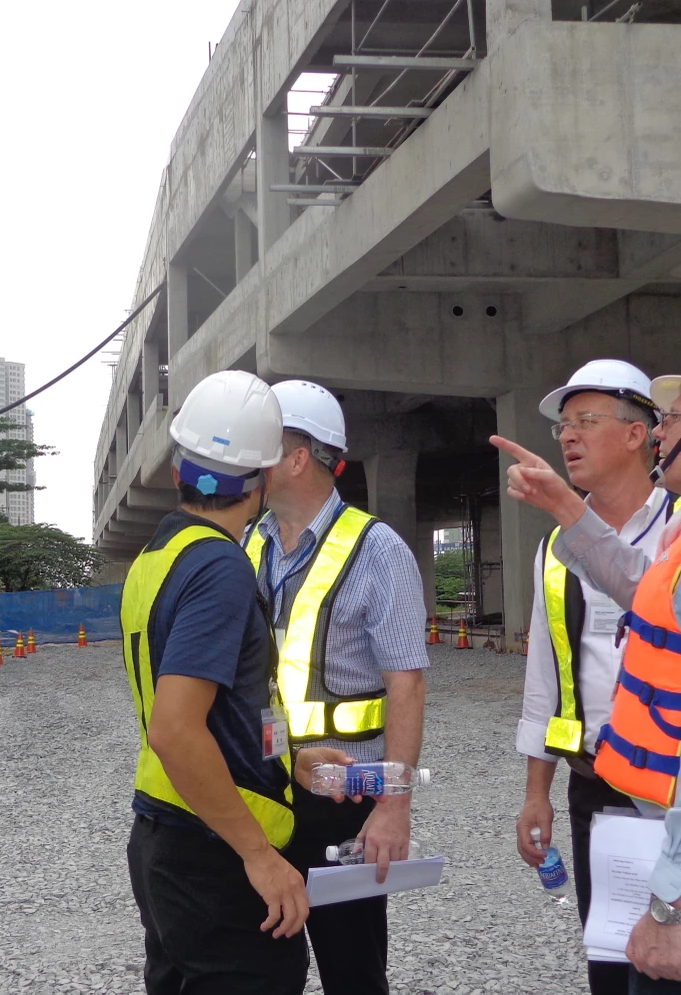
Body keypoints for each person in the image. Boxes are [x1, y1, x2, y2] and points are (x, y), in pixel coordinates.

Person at [493, 347, 681, 992]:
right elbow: (646, 591)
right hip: (633, 795)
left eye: (674, 418)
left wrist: (672, 902)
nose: (662, 431)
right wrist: (567, 510)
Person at [122, 370, 361, 995]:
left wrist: (289, 760)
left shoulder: (156, 558)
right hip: (215, 852)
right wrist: (258, 855)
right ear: (259, 482)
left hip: (167, 834)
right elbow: (177, 730)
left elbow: (216, 712)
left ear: (179, 467)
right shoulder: (219, 567)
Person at [244, 379, 428, 995]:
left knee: (352, 968)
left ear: (299, 457)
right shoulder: (248, 542)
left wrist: (393, 806)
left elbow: (407, 683)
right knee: (263, 964)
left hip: (343, 797)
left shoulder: (378, 550)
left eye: (263, 444)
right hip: (265, 785)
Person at [515, 360, 678, 995]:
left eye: (586, 421)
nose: (568, 437)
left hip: (678, 793)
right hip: (595, 785)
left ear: (639, 434)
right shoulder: (553, 548)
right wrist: (537, 793)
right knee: (610, 962)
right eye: (563, 425)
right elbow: (546, 674)